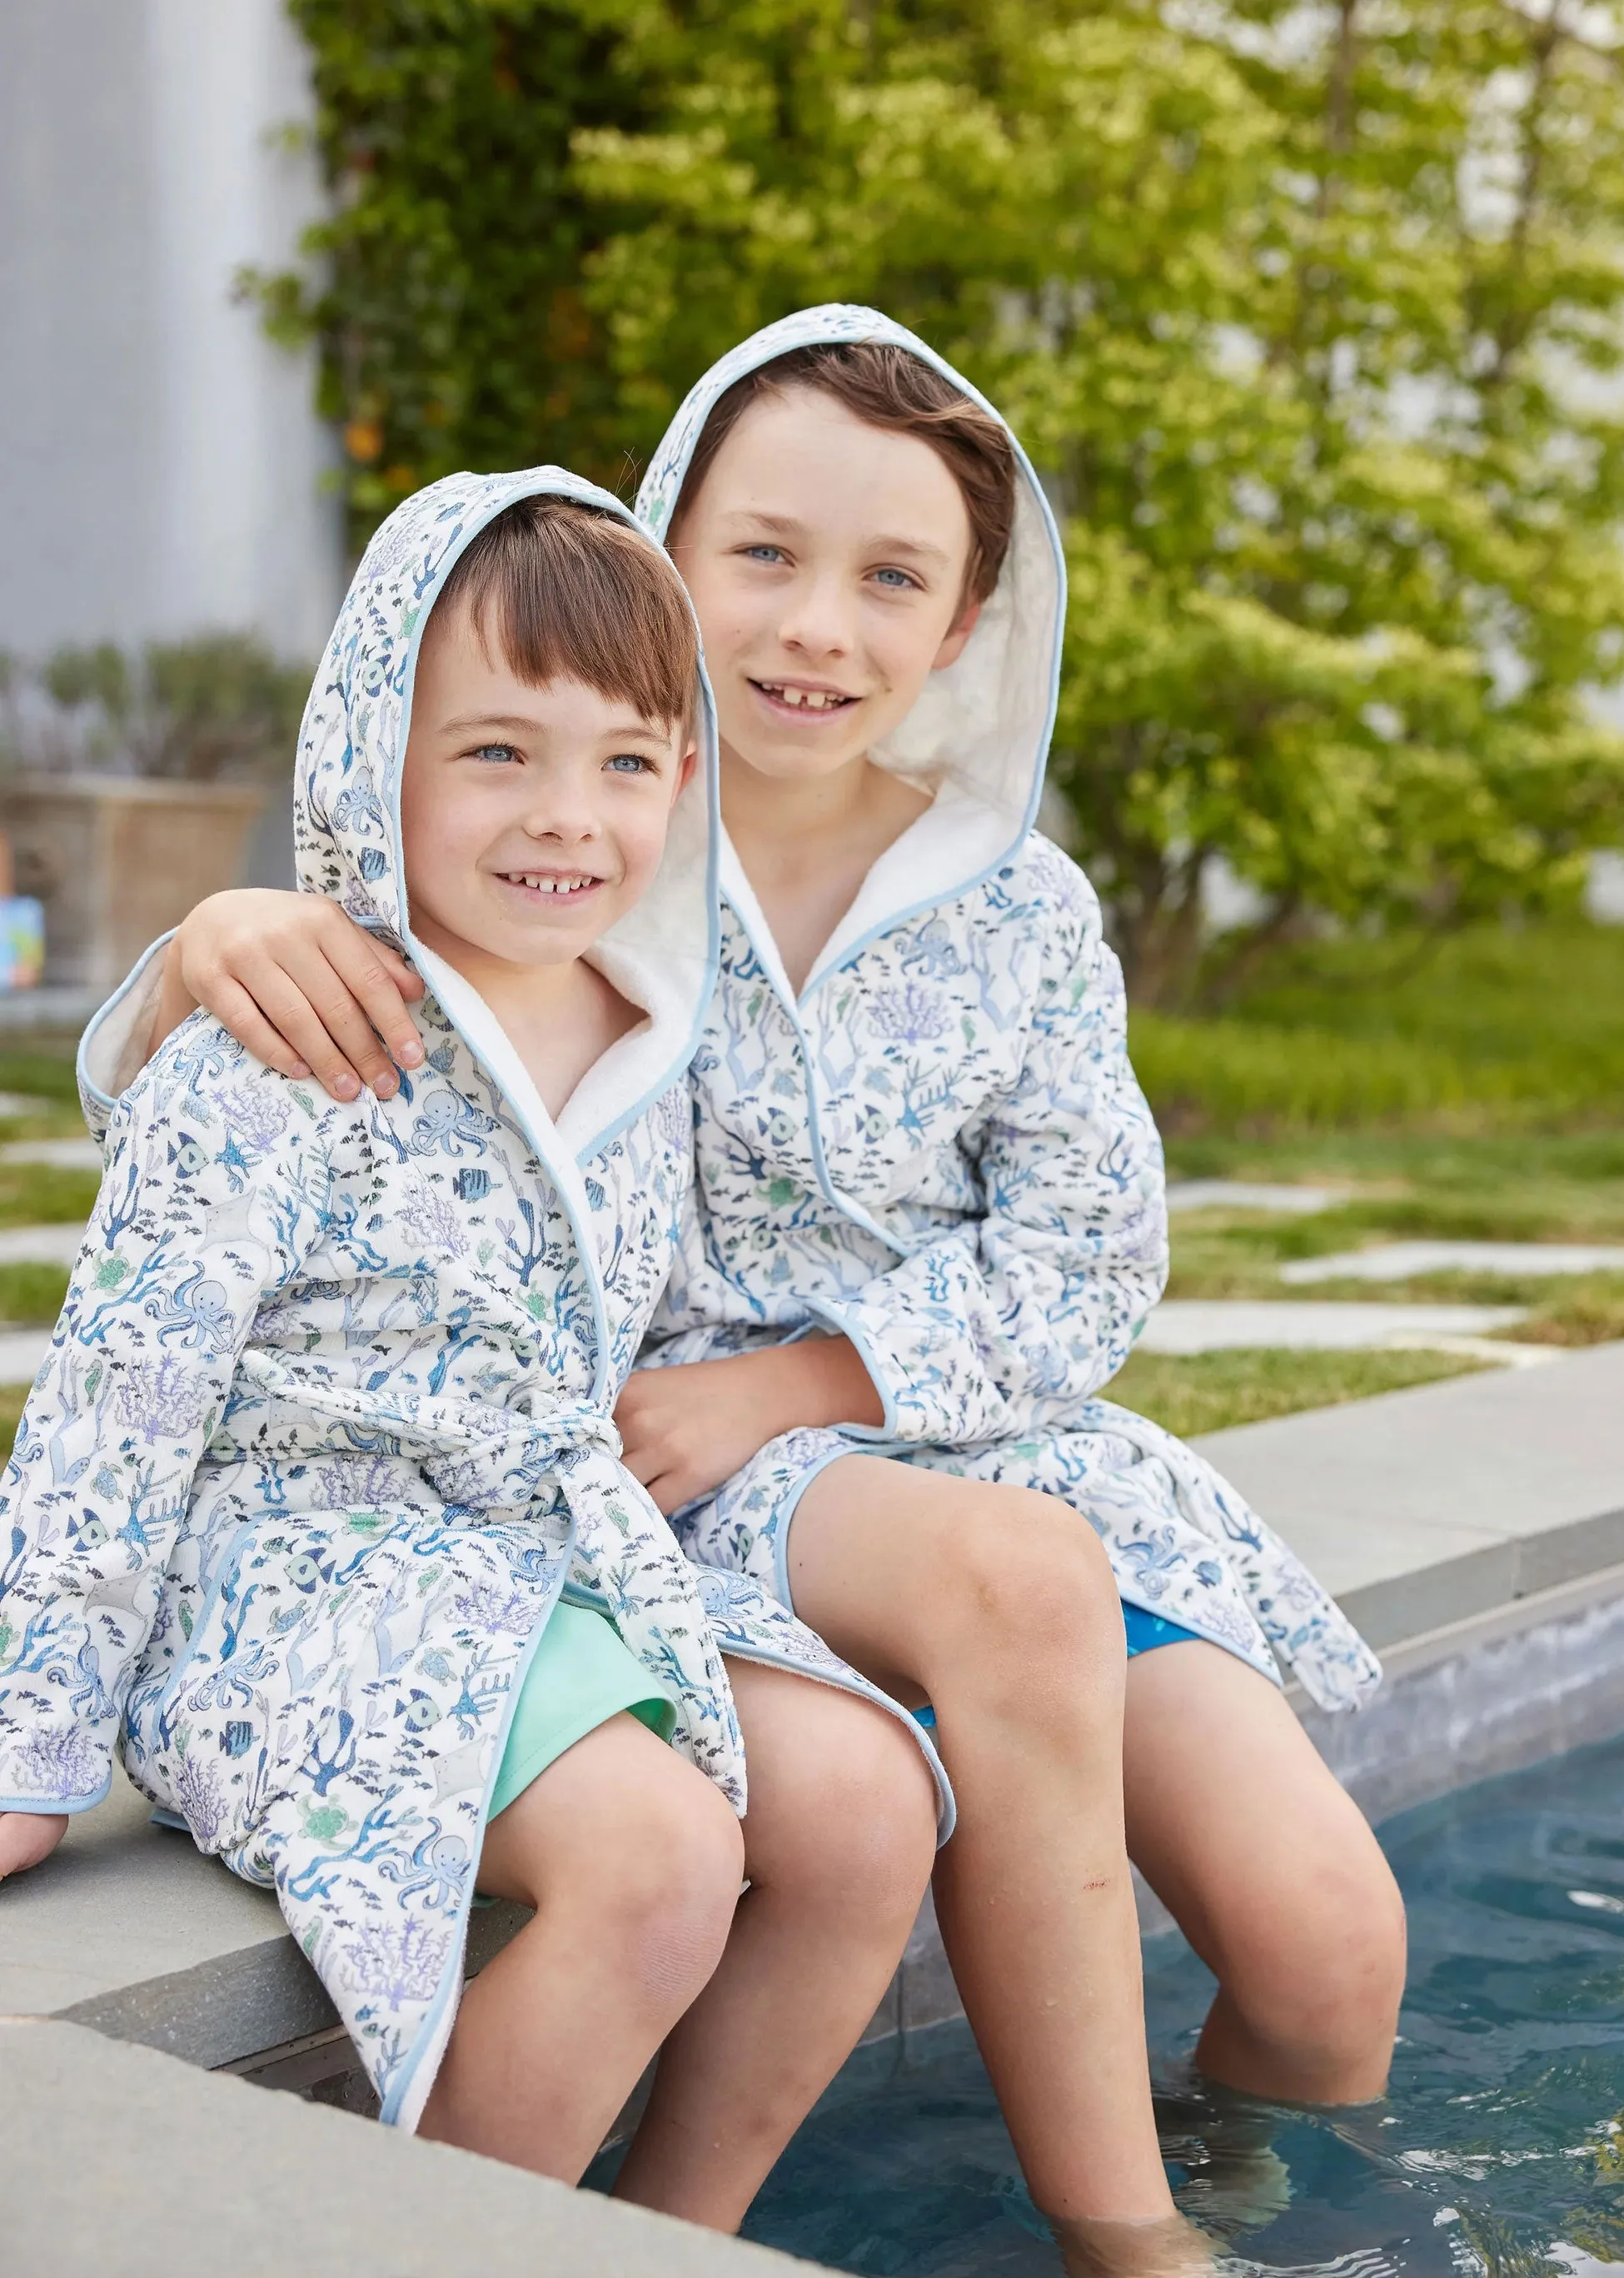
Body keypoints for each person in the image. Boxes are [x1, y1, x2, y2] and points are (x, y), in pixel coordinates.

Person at [77, 311, 1406, 2271]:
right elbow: (314, 1093)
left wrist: (810, 1375)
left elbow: (1091, 1251)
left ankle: (1230, 2187)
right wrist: (205, 935)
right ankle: (1114, 2235)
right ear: (660, 543)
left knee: (1328, 1951)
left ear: (962, 626)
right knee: (981, 1628)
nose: (813, 625)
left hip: (954, 1436)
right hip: (658, 1449)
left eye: (893, 578)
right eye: (762, 553)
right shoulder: (577, 839)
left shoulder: (1018, 907)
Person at [0, 469, 942, 2230]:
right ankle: (436, 2238)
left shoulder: (654, 1030)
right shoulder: (283, 1039)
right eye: (496, 752)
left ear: (684, 770)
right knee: (660, 1860)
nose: (565, 817)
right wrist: (27, 1739)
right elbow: (114, 1406)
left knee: (874, 1802)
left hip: (552, 1556)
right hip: (298, 1572)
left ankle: (670, 2231)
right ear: (378, 752)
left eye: (625, 760)